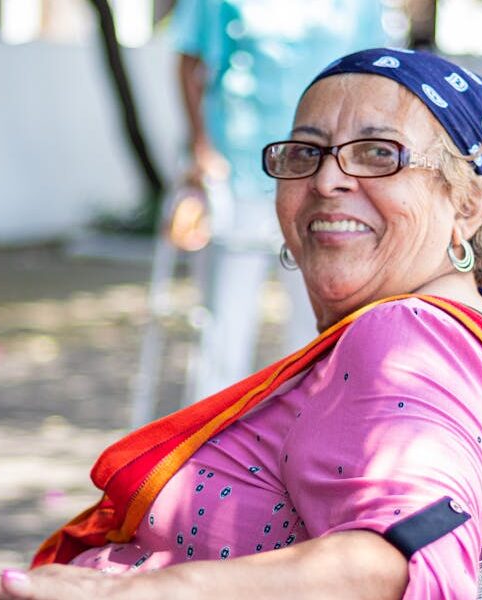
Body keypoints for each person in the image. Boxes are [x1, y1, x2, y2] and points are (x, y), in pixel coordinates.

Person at [0, 48, 482, 600]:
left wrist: (141, 590)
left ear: (470, 207)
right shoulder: (480, 342)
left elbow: (397, 560)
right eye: (305, 154)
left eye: (378, 153)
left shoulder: (407, 337)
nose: (328, 179)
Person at [170, 0, 391, 404]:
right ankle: (206, 439)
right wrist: (201, 147)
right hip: (241, 174)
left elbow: (374, 78)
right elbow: (189, 62)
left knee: (316, 317)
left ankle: (307, 429)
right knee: (225, 320)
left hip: (323, 178)